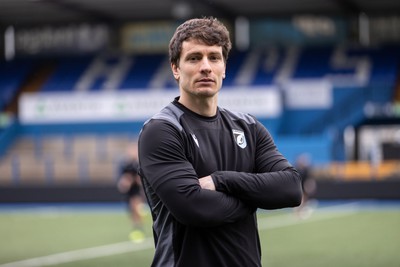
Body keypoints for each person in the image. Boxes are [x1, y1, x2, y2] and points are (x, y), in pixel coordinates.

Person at [138, 17, 302, 267]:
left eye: (214, 57)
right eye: (194, 58)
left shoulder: (249, 127)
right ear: (175, 68)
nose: (206, 67)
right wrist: (257, 196)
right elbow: (195, 208)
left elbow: (290, 188)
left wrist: (221, 181)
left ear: (224, 67)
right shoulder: (162, 130)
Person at [117, 142, 146, 243]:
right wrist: (124, 183)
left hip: (136, 190)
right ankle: (136, 225)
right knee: (131, 209)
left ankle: (138, 227)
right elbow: (122, 180)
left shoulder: (137, 164)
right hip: (129, 192)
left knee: (135, 205)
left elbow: (140, 179)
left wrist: (131, 180)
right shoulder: (125, 165)